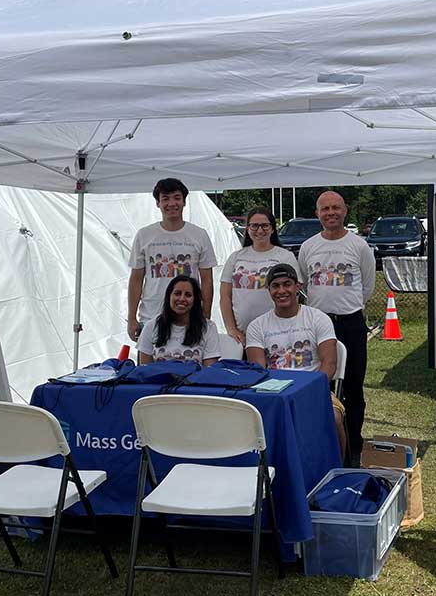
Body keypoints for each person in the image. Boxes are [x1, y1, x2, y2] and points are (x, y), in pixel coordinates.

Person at [297, 190, 375, 463]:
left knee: (354, 387)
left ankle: (353, 448)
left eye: (335, 208)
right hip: (318, 325)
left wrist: (347, 306)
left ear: (345, 211)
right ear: (317, 213)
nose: (330, 213)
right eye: (324, 209)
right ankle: (320, 442)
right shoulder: (308, 246)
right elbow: (304, 282)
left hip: (351, 323)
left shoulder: (359, 245)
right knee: (319, 385)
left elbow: (367, 286)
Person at [245, 263, 346, 458]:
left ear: (298, 287)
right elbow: (258, 370)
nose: (281, 291)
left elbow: (329, 365)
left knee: (333, 418)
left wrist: (305, 393)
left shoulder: (318, 318)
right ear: (269, 290)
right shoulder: (257, 326)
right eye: (275, 286)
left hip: (314, 390)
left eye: (287, 284)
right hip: (274, 395)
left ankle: (338, 470)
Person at [128, 178, 216, 342]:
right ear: (158, 203)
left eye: (176, 198)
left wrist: (205, 315)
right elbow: (136, 279)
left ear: (184, 202)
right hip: (152, 316)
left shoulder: (199, 235)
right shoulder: (144, 235)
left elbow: (207, 279)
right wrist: (132, 317)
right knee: (149, 366)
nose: (171, 203)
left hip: (190, 317)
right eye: (165, 199)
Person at [219, 207, 298, 347]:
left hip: (277, 334)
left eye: (265, 225)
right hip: (242, 336)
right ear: (248, 228)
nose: (260, 230)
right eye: (254, 225)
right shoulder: (235, 257)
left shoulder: (285, 256)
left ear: (273, 229)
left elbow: (294, 296)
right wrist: (231, 329)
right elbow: (225, 297)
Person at [136, 275, 220, 366]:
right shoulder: (151, 326)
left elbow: (209, 372)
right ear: (169, 296)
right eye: (177, 293)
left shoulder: (209, 328)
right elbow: (144, 371)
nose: (182, 299)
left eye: (188, 295)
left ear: (195, 300)